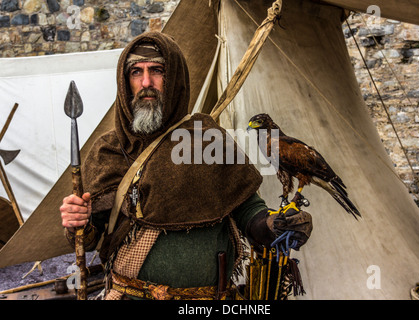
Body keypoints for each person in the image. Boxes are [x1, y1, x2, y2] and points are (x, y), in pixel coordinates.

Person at [60, 31, 312, 300]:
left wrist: (274, 224)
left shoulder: (208, 139)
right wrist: (78, 222)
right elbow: (87, 240)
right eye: (136, 72)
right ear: (125, 83)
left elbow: (250, 212)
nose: (146, 82)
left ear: (175, 79)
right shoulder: (108, 150)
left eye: (157, 71)